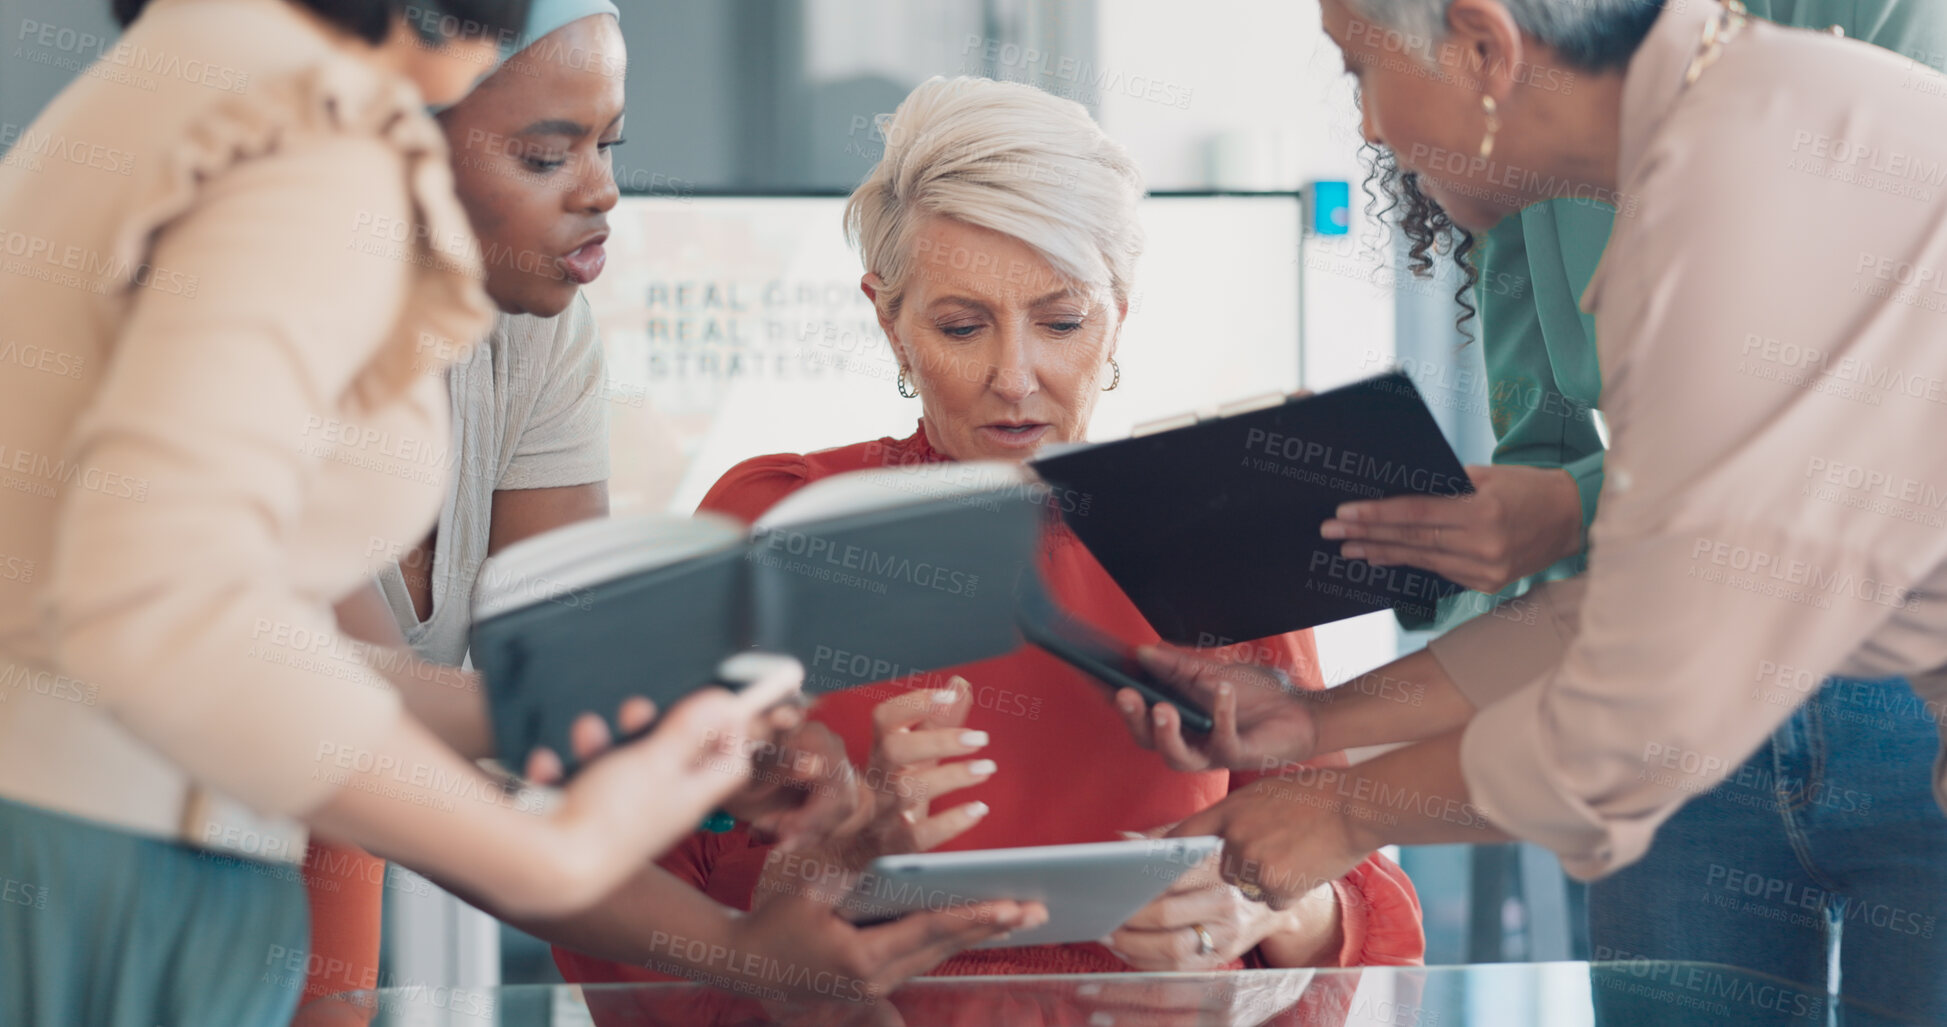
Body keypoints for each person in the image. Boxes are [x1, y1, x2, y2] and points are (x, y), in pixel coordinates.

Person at [1119, 0, 1947, 1021]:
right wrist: (1316, 723)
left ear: (1483, 47)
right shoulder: (1742, 132)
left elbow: (1641, 723)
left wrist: (1344, 809)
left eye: (1355, 73)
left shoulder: (1732, 215)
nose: (1370, 129)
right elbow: (1638, 607)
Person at [0, 0, 814, 1024]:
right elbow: (164, 618)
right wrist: (552, 856)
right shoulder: (313, 146)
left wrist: (563, 714)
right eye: (542, 152)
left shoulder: (191, 80)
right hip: (116, 869)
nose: (600, 190)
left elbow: (252, 635)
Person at [553, 77, 1425, 1005]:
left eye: (1061, 321)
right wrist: (826, 871)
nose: (1015, 376)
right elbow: (616, 899)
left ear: (1118, 313)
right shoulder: (779, 522)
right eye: (961, 326)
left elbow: (1362, 908)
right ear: (888, 320)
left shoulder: (1212, 523)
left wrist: (1269, 909)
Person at [294, 9, 1045, 1018]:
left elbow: (561, 688)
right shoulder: (253, 340)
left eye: (608, 146)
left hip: (313, 841)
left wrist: (725, 755)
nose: (604, 191)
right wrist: (737, 942)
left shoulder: (532, 333)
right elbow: (367, 736)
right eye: (548, 154)